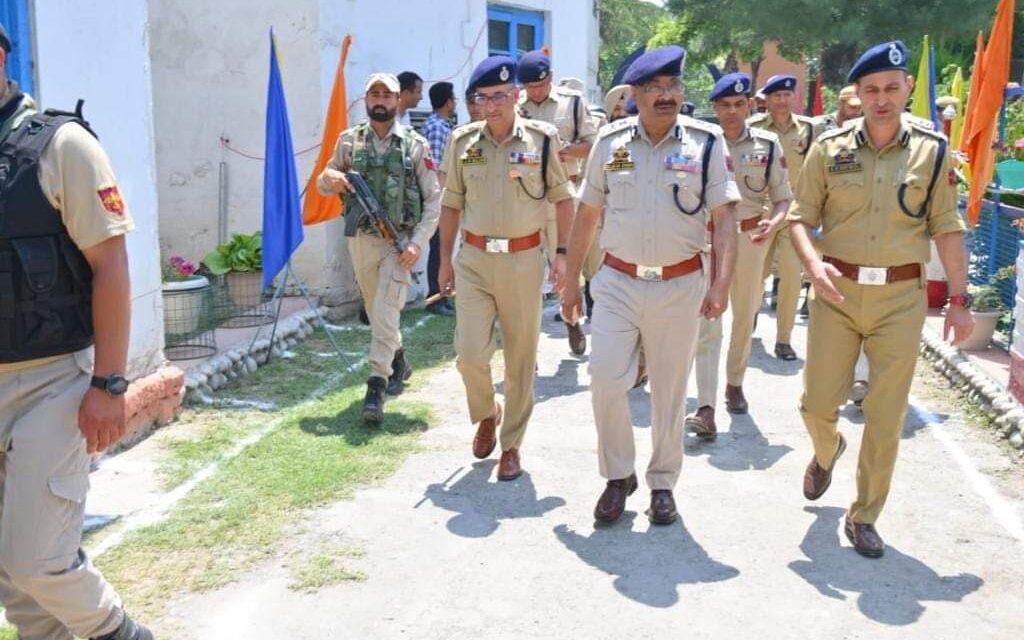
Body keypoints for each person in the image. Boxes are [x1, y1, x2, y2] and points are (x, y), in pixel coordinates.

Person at [788, 41, 974, 558]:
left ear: (907, 89)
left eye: (892, 87)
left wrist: (959, 299)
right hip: (837, 291)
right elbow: (800, 217)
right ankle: (827, 451)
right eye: (872, 90)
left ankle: (865, 513)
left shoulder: (932, 152)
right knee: (818, 404)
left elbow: (947, 227)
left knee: (885, 416)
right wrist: (811, 264)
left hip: (899, 299)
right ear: (858, 95)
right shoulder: (829, 148)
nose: (882, 98)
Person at [0, 26, 153, 640]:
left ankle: (122, 634)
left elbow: (111, 265)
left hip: (50, 383)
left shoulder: (60, 145)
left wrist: (110, 383)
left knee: (38, 560)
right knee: (12, 573)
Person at [562, 46, 739, 525]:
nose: (666, 96)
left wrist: (720, 284)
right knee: (604, 379)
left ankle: (662, 482)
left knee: (668, 390)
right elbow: (587, 213)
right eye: (655, 88)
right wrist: (572, 280)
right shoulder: (612, 142)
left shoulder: (705, 144)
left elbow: (725, 220)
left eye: (673, 87)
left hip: (680, 285)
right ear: (635, 95)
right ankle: (618, 475)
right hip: (617, 280)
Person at [437, 56, 575, 481]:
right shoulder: (463, 142)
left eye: (501, 96)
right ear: (475, 101)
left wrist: (564, 254)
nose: (493, 105)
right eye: (484, 98)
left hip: (523, 261)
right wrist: (445, 260)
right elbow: (451, 204)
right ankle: (486, 413)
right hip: (475, 260)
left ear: (516, 95)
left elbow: (563, 198)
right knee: (470, 355)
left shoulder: (542, 139)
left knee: (520, 358)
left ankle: (512, 444)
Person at [317, 72, 441, 424]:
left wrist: (417, 244)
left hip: (398, 242)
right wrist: (331, 179)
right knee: (376, 311)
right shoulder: (348, 142)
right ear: (366, 99)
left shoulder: (416, 145)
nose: (381, 100)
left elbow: (433, 200)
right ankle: (398, 356)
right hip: (361, 240)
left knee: (385, 310)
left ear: (398, 99)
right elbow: (324, 183)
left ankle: (376, 384)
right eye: (374, 94)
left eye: (387, 94)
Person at [685, 72, 791, 438]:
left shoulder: (767, 144)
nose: (732, 111)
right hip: (704, 241)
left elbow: (783, 197)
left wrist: (773, 224)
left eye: (739, 104)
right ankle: (706, 405)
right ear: (714, 107)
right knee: (707, 320)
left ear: (750, 105)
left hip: (748, 240)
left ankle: (734, 381)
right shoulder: (700, 143)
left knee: (744, 316)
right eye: (724, 105)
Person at [516, 50, 598, 356]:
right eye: (529, 87)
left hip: (563, 198)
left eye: (539, 85)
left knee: (566, 267)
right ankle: (526, 346)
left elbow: (593, 144)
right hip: (524, 199)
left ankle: (571, 319)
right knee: (524, 272)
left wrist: (564, 152)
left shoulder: (573, 103)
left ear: (550, 77)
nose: (534, 92)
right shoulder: (515, 106)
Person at [748, 75, 820, 361]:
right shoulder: (752, 129)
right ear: (766, 99)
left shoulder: (809, 130)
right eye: (775, 96)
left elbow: (817, 172)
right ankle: (749, 316)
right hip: (760, 211)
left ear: (793, 97)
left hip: (794, 213)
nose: (781, 101)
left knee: (790, 277)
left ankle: (784, 339)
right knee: (756, 274)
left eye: (786, 95)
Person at [422, 81, 457, 316]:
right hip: (438, 197)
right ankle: (435, 298)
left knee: (441, 246)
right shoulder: (438, 128)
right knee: (437, 248)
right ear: (447, 102)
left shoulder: (442, 126)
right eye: (453, 99)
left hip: (444, 196)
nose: (455, 103)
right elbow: (434, 167)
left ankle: (441, 295)